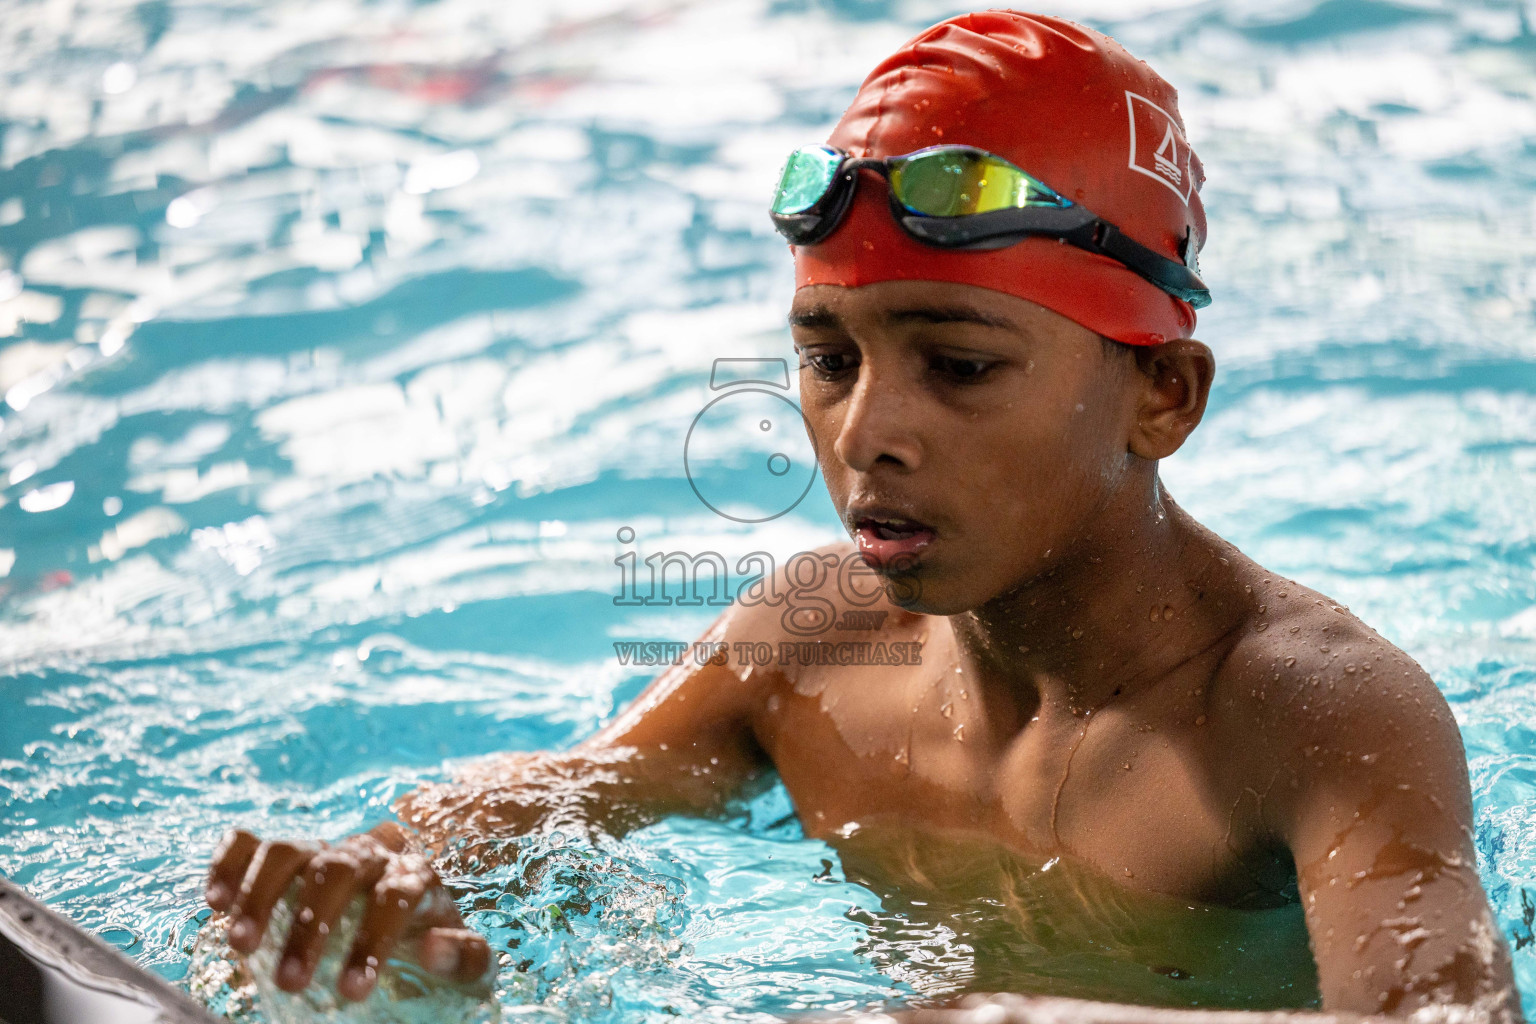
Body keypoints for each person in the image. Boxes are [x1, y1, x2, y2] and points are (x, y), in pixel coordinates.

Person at [204, 11, 1523, 1019]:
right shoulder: (818, 640)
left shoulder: (1312, 714)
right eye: (830, 358)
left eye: (958, 366)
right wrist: (377, 870)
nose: (862, 432)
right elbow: (568, 795)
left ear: (1161, 398)